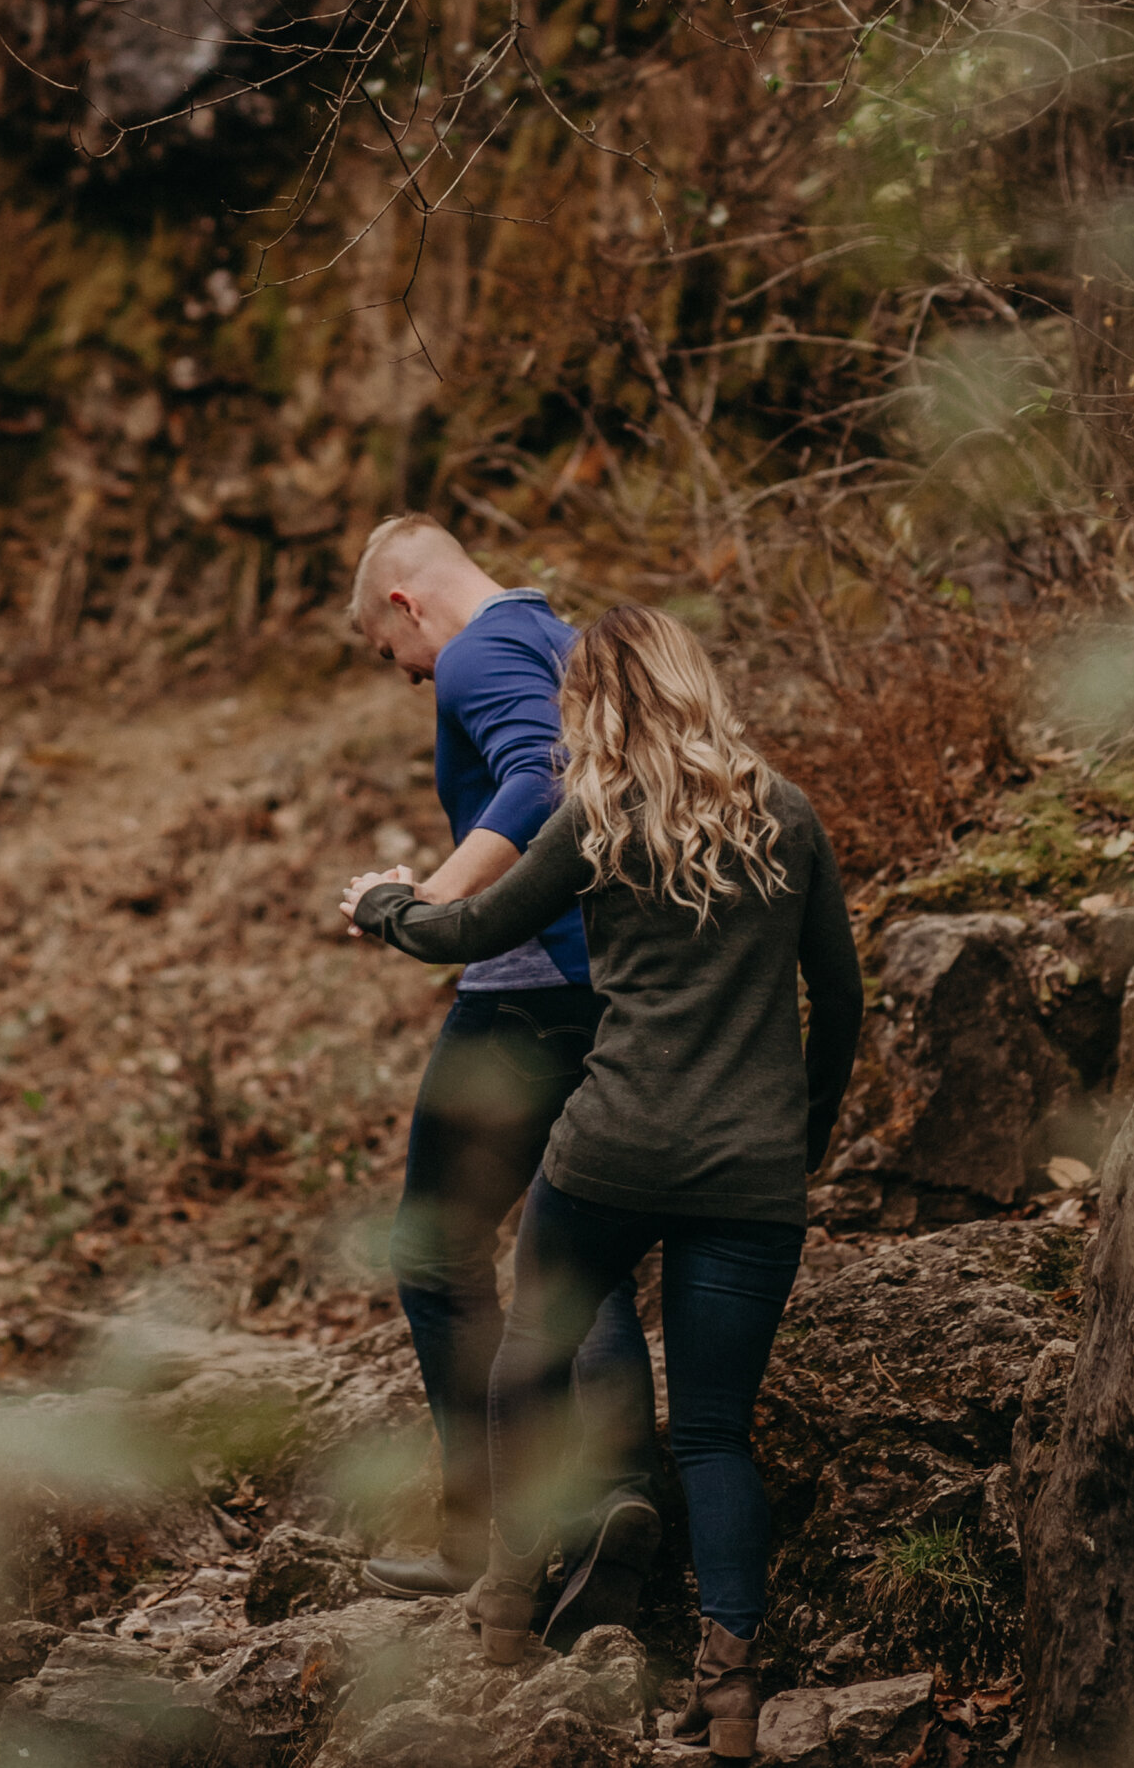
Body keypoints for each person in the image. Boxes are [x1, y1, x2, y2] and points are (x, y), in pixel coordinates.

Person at [343, 603, 862, 1762]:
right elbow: (841, 1002)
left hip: (608, 1156)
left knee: (530, 1355)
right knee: (715, 1436)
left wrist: (383, 901)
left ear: (599, 701)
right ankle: (730, 1698)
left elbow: (468, 928)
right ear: (693, 681)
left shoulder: (600, 817)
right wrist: (801, 1134)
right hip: (751, 1176)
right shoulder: (788, 814)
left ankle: (505, 1614)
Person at [344, 517, 663, 1635]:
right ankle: (621, 1498)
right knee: (580, 1252)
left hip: (528, 995)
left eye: (401, 666)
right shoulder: (563, 636)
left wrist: (432, 901)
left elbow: (539, 774)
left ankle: (485, 1530)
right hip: (611, 984)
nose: (414, 679)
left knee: (433, 1254)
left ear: (402, 606)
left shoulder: (476, 649)